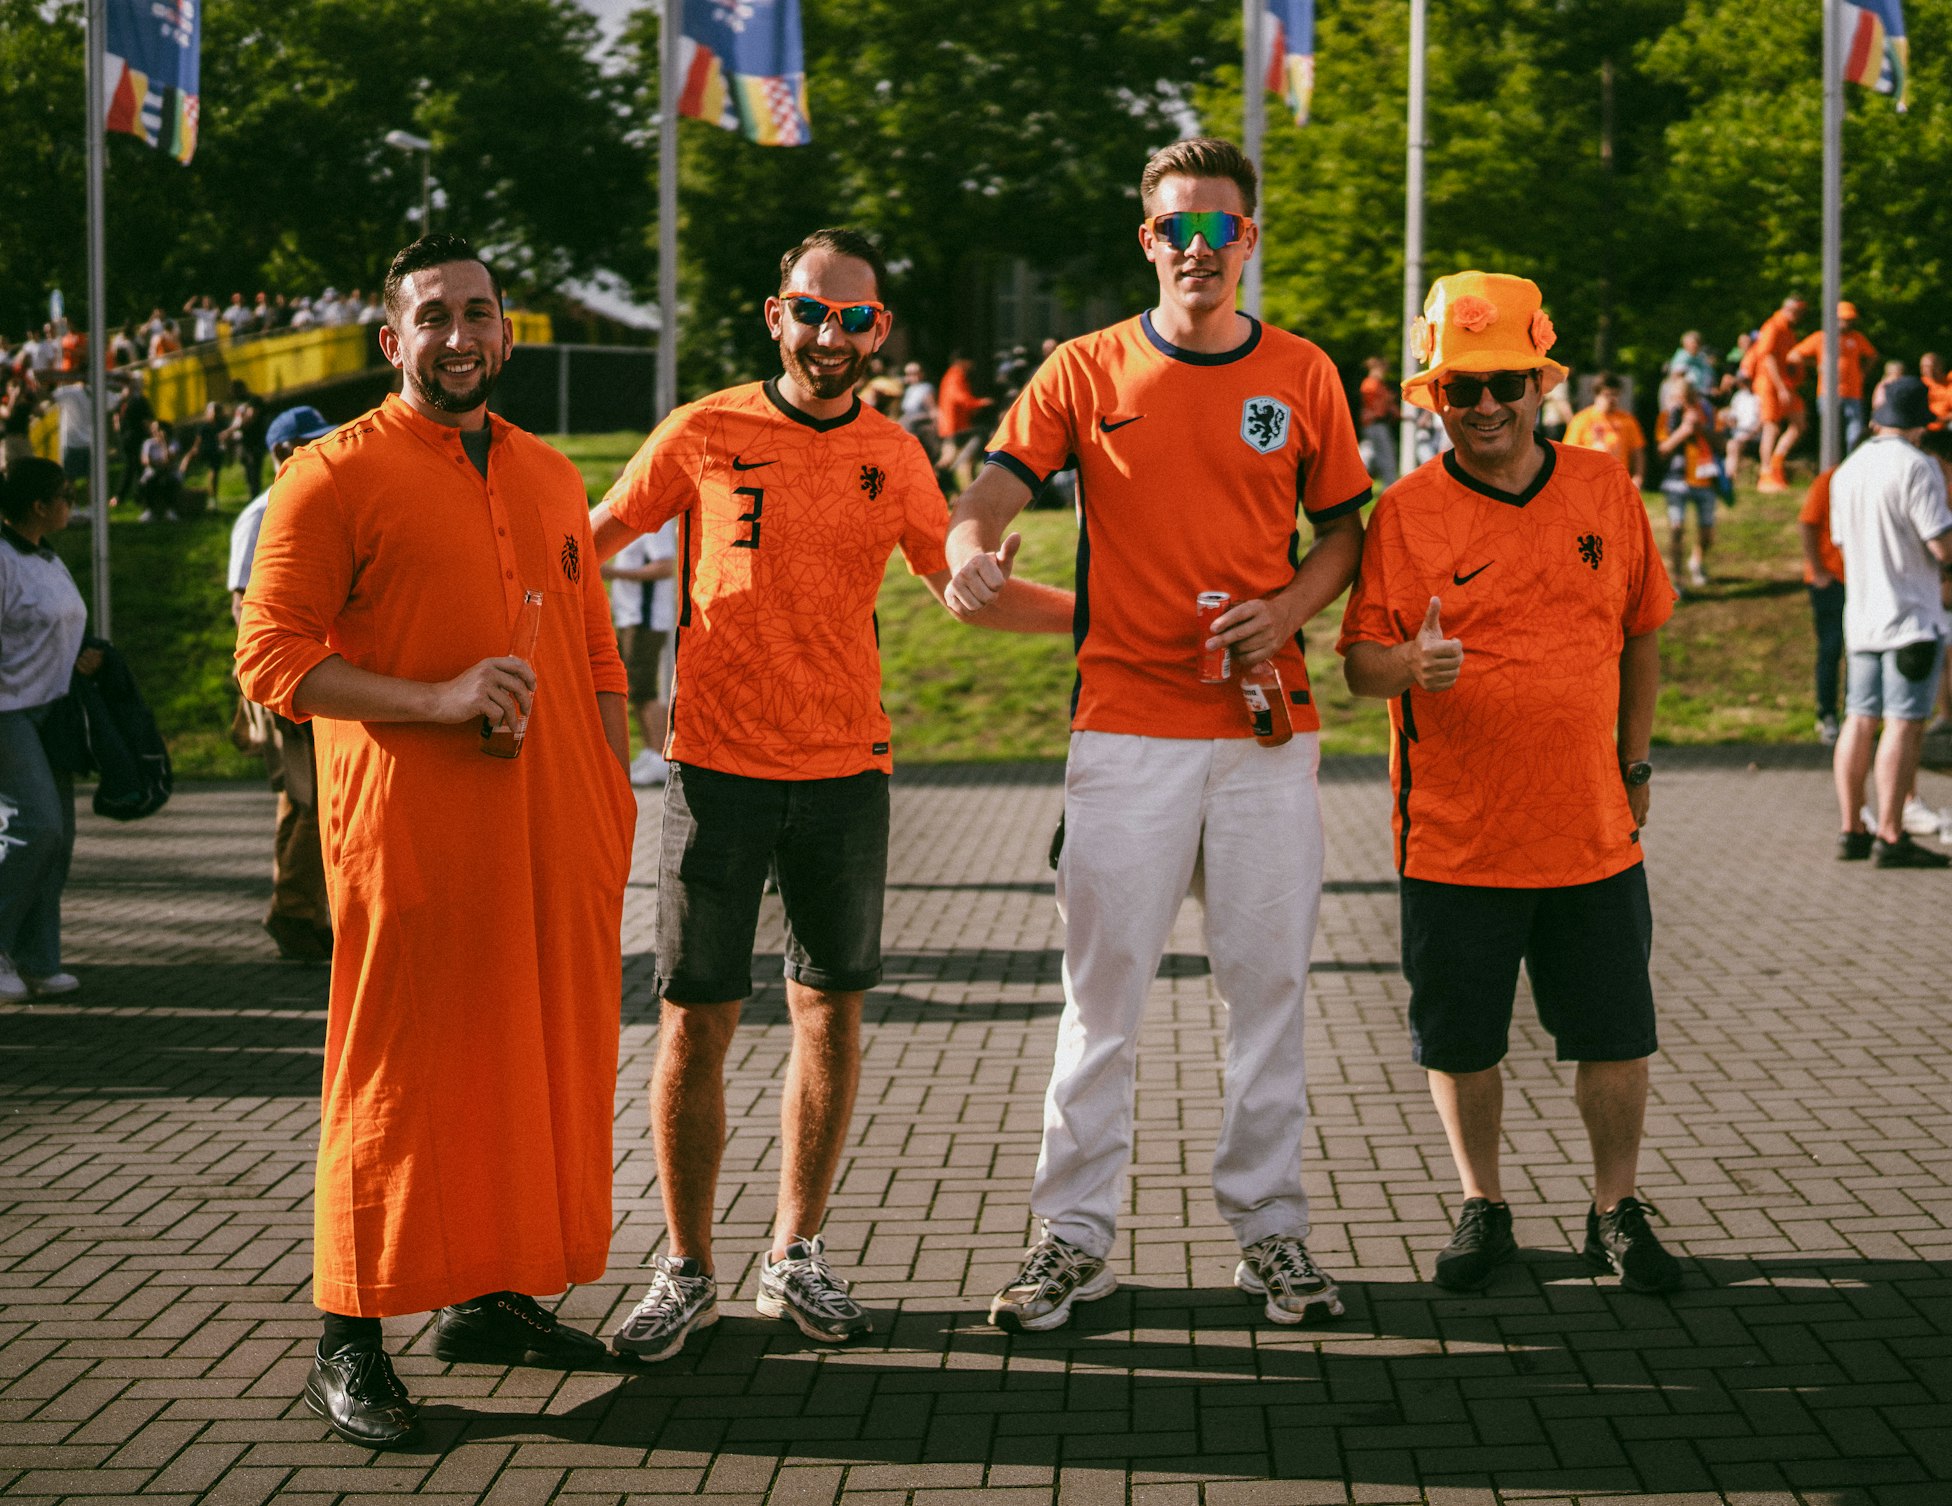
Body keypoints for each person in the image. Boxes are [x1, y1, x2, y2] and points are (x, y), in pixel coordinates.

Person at [588, 226, 1072, 1363]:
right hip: (714, 770)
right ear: (775, 317)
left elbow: (959, 585)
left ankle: (794, 1254)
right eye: (812, 312)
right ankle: (685, 1267)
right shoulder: (704, 430)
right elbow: (591, 537)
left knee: (828, 1014)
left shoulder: (895, 452)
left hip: (845, 770)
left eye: (853, 318)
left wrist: (1102, 617)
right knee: (693, 1023)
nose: (830, 335)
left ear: (878, 331)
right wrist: (490, 598)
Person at [946, 137, 1371, 1333]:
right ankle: (1071, 1240)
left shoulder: (1300, 373)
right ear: (1148, 241)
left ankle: (1270, 1231)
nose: (1197, 250)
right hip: (1124, 727)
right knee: (1103, 996)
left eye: (1218, 228)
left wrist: (1286, 608)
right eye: (1174, 229)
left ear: (1247, 239)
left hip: (1261, 733)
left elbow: (1345, 533)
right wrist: (966, 552)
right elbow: (986, 496)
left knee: (1267, 989)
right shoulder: (1082, 369)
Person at [235, 233, 637, 1449]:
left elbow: (597, 652)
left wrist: (609, 795)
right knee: (397, 1083)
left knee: (530, 1066)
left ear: (507, 330)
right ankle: (346, 1337)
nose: (458, 337)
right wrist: (439, 698)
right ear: (390, 340)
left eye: (478, 313)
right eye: (433, 317)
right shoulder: (329, 476)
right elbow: (272, 662)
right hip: (407, 836)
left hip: (553, 835)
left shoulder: (552, 475)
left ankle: (490, 1297)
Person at [1338, 269, 1683, 1296]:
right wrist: (1408, 667)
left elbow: (1641, 631)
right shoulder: (1402, 513)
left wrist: (1633, 760)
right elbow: (1358, 665)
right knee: (1461, 1038)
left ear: (1541, 381)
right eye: (1459, 388)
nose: (1483, 406)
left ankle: (1613, 1207)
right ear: (1429, 397)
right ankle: (1481, 1202)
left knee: (1614, 1035)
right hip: (1455, 834)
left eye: (1503, 383)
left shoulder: (1601, 488)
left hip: (1589, 825)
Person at [1825, 377, 1952, 867]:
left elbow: (1839, 540)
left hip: (1861, 618)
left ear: (1878, 418)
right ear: (1921, 425)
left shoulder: (1848, 470)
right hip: (1911, 619)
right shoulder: (1918, 467)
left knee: (1859, 721)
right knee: (1903, 725)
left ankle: (1851, 827)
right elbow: (1939, 542)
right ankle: (1892, 835)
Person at [228, 406, 339, 963]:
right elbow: (246, 606)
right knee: (313, 798)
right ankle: (293, 910)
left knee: (299, 801)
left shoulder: (307, 494)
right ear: (278, 451)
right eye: (306, 442)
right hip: (286, 678)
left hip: (309, 669)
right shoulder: (262, 511)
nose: (319, 449)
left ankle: (304, 911)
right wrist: (273, 688)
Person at [0, 458, 100, 1002]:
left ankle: (37, 958)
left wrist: (81, 656)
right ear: (39, 506)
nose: (72, 501)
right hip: (8, 712)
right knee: (36, 827)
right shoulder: (3, 558)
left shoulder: (45, 556)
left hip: (50, 709)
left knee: (57, 838)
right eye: (66, 493)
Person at [597, 517, 677, 785]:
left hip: (646, 617)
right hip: (632, 616)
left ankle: (660, 755)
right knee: (636, 689)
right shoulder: (635, 520)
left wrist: (613, 573)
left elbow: (665, 567)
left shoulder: (654, 522)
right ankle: (651, 752)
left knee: (643, 689)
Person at [1654, 373, 1720, 590]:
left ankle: (1697, 562)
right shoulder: (1666, 416)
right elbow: (1662, 451)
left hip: (1704, 479)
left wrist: (1700, 428)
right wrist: (1683, 432)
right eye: (1678, 398)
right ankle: (1677, 579)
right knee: (1677, 528)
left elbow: (1720, 441)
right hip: (1676, 481)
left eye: (1687, 398)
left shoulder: (1707, 413)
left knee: (1707, 533)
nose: (1682, 402)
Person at [1799, 465, 1847, 746]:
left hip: (1860, 580)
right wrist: (1817, 570)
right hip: (1830, 579)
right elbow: (1806, 523)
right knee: (1831, 647)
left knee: (1859, 650)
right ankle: (1826, 713)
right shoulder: (1829, 480)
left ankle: (1856, 714)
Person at [1790, 302, 1879, 453]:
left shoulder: (1857, 338)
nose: (1847, 323)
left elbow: (1872, 356)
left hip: (1853, 393)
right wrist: (1815, 364)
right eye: (1844, 319)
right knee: (1830, 434)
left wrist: (1862, 373)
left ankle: (1853, 464)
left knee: (1855, 433)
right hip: (1828, 393)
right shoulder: (1821, 337)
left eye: (1850, 319)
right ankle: (1830, 466)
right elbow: (1793, 356)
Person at [1746, 295, 1806, 492]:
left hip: (1785, 384)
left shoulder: (1788, 330)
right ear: (1789, 310)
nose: (1800, 317)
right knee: (1771, 427)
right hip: (1769, 385)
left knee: (1799, 422)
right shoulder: (1772, 326)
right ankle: (1765, 475)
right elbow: (1767, 358)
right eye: (1798, 312)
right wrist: (1780, 387)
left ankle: (1776, 461)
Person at [1564, 373, 1646, 487]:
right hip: (1588, 483)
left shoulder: (1627, 420)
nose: (1612, 399)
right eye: (1607, 395)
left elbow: (1638, 452)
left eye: (1616, 395)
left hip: (1618, 482)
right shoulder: (1581, 420)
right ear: (1596, 395)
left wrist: (1638, 477)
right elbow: (1569, 454)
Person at [1358, 355, 1399, 487]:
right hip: (1375, 424)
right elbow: (1378, 408)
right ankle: (1389, 486)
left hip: (1374, 424)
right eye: (1383, 370)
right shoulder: (1370, 385)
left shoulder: (1378, 385)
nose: (1384, 374)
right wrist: (1388, 401)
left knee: (1367, 455)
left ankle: (1353, 483)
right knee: (1386, 457)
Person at [1665, 330, 1716, 398]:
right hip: (1689, 395)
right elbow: (1676, 378)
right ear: (1684, 344)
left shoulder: (1701, 357)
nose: (1696, 345)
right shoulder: (1682, 358)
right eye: (1693, 343)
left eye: (1698, 342)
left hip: (1706, 393)